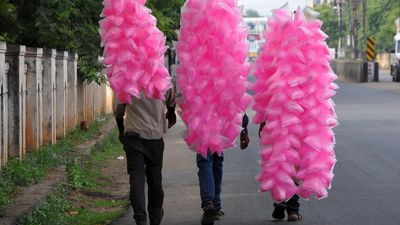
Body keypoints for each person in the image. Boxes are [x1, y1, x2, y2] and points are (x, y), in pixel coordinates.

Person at [115, 88, 176, 225]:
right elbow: (171, 100)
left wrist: (121, 131)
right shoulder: (160, 73)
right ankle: (155, 216)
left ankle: (140, 219)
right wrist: (171, 113)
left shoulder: (128, 77)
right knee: (155, 179)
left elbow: (119, 110)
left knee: (136, 178)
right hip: (154, 136)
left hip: (133, 135)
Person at [198, 113, 250, 225]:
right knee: (216, 161)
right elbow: (238, 99)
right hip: (221, 121)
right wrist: (243, 129)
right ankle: (216, 206)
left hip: (203, 119)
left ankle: (209, 203)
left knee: (205, 161)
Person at [258, 122, 302, 222]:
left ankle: (281, 201)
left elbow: (266, 106)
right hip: (301, 121)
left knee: (279, 162)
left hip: (278, 123)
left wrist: (264, 120)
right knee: (295, 163)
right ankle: (292, 209)